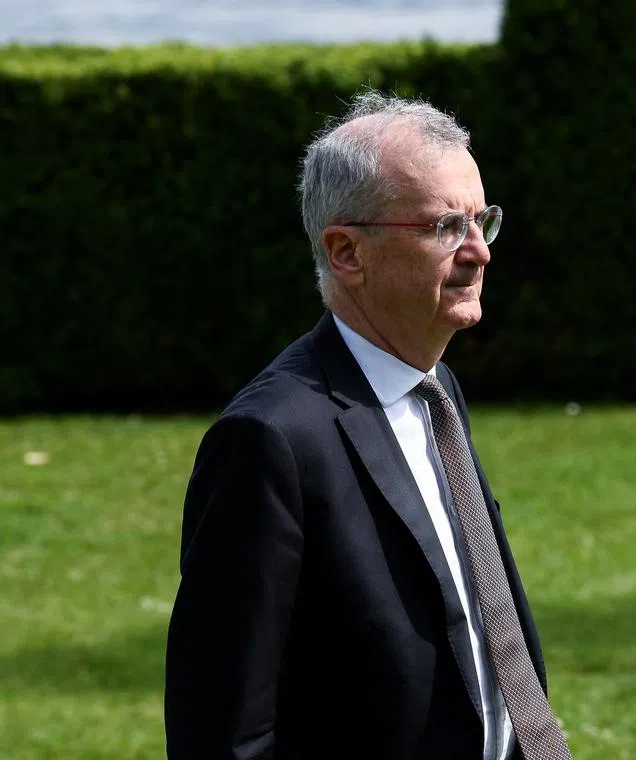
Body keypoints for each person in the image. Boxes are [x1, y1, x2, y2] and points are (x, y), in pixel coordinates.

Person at [164, 90, 572, 760]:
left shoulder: (435, 389)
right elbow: (224, 733)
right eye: (446, 227)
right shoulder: (269, 441)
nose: (480, 253)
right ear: (347, 252)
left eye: (482, 221)